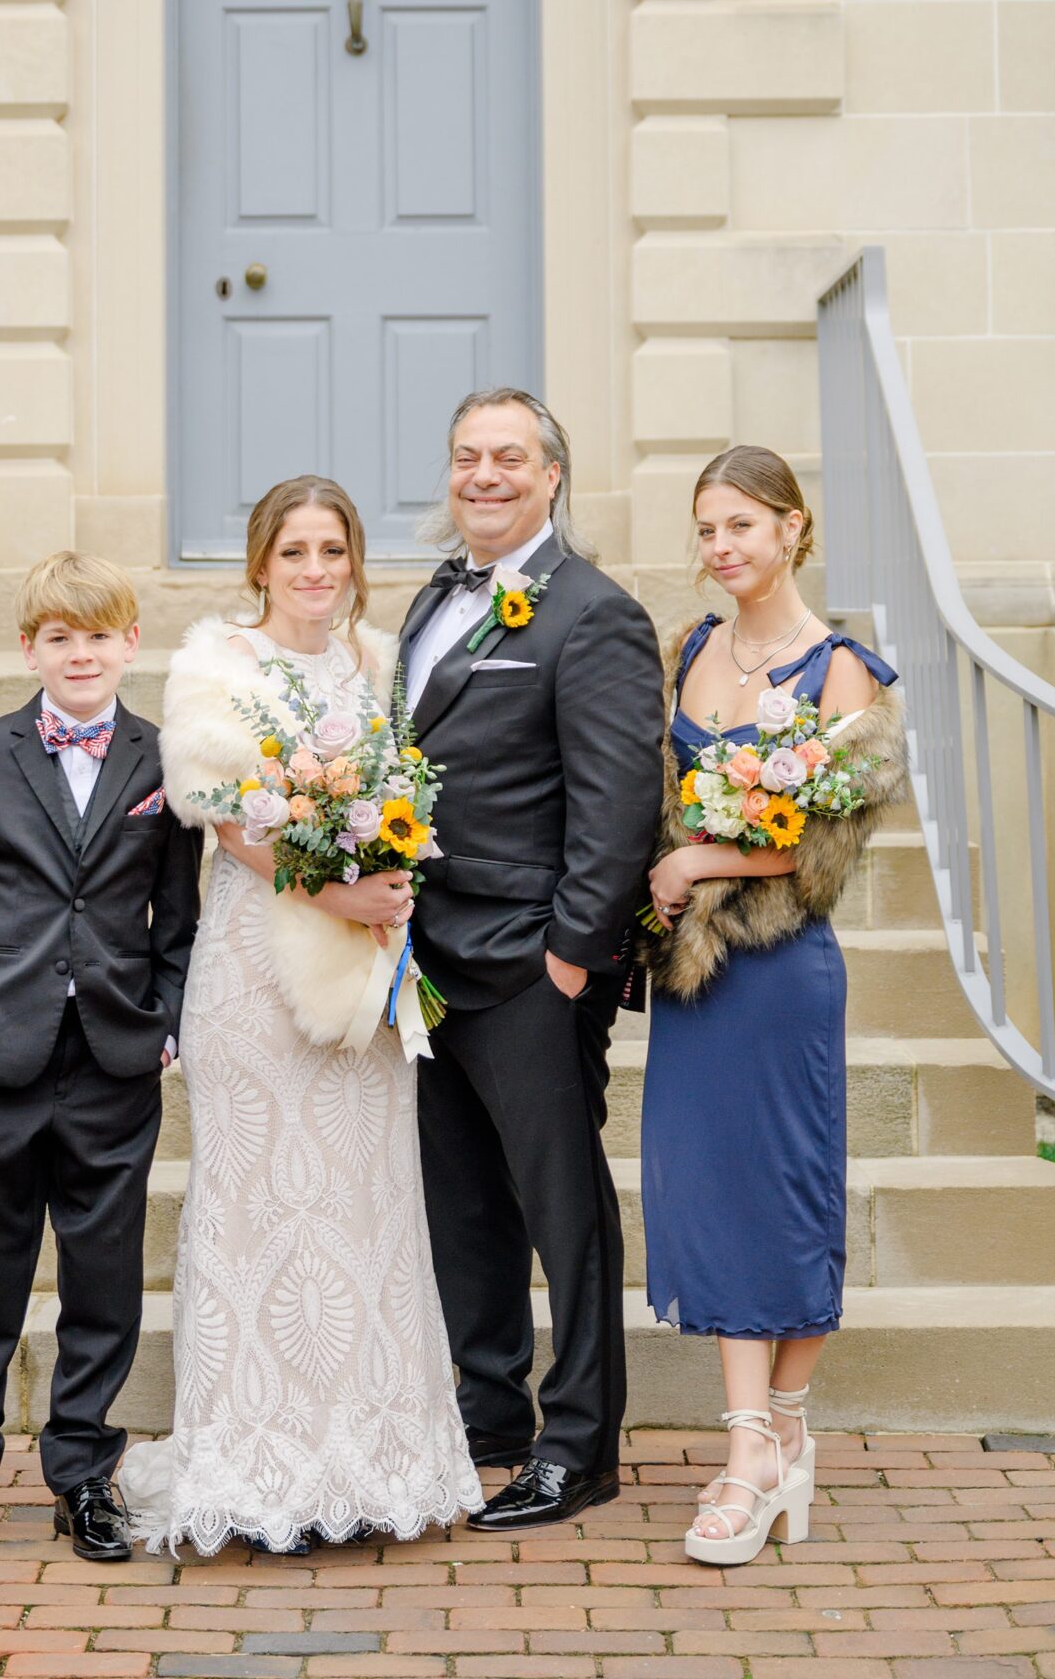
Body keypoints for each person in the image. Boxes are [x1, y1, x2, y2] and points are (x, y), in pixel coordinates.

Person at [117, 475, 481, 1556]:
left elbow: (401, 800)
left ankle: (369, 1458)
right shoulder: (215, 667)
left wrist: (387, 882)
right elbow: (229, 821)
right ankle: (258, 1462)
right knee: (261, 1202)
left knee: (362, 1200)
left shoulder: (378, 665)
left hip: (362, 975)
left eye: (332, 550)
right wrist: (339, 892)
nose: (314, 572)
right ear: (259, 565)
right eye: (293, 554)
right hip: (255, 968)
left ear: (354, 561)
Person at [0, 552, 198, 1567]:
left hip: (113, 1053)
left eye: (97, 634)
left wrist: (168, 1021)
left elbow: (180, 922)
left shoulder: (162, 759)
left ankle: (81, 1476)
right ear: (30, 647)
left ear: (128, 643)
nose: (79, 652)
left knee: (102, 1278)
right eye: (59, 637)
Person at [402, 389, 665, 1531]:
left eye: (508, 456)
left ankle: (581, 1444)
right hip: (423, 960)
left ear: (552, 474)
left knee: (564, 1212)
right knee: (463, 1208)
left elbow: (615, 807)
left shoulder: (593, 613)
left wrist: (569, 962)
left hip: (528, 965)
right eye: (467, 456)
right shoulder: (429, 598)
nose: (484, 474)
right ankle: (490, 1418)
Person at [639, 446, 906, 1566]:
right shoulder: (690, 648)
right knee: (705, 1193)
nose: (720, 548)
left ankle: (761, 1446)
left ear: (793, 528)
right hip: (695, 981)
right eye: (706, 529)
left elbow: (816, 849)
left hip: (783, 970)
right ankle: (764, 1441)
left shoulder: (841, 670)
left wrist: (697, 859)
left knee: (785, 1195)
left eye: (741, 524)